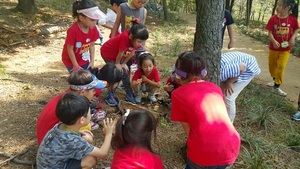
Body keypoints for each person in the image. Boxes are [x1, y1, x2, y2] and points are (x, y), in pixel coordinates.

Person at [171, 51, 240, 168]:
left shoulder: (177, 94)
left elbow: (188, 131)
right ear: (204, 73)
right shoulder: (216, 88)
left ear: (179, 75)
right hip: (231, 146)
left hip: (203, 152)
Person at [36, 66, 121, 146]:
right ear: (82, 92)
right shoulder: (74, 107)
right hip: (50, 144)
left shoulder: (67, 98)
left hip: (47, 138)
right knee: (87, 138)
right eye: (93, 90)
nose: (95, 92)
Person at [36, 92, 116, 169]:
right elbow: (102, 154)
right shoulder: (73, 140)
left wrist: (79, 132)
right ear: (82, 120)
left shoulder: (60, 126)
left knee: (86, 137)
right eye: (89, 112)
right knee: (90, 160)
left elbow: (66, 139)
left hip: (47, 164)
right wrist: (108, 134)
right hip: (56, 166)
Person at [100, 21, 149, 106]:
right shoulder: (125, 37)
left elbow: (132, 53)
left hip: (118, 56)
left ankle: (129, 92)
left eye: (142, 42)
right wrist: (118, 64)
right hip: (108, 54)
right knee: (117, 74)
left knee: (125, 73)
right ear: (131, 36)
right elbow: (121, 52)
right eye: (139, 42)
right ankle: (110, 95)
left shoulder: (135, 40)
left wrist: (124, 64)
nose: (140, 44)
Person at [265, 0, 299, 96]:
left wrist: (293, 38)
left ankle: (277, 86)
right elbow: (270, 33)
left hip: (286, 49)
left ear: (287, 7)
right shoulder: (273, 19)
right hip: (273, 48)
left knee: (281, 66)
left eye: (280, 5)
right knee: (272, 66)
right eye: (277, 4)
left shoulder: (292, 19)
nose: (277, 7)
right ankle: (274, 79)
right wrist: (274, 41)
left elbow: (296, 29)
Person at [61, 0, 104, 73]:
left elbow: (92, 45)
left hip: (83, 59)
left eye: (96, 20)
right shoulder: (73, 30)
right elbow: (70, 49)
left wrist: (92, 61)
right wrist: (75, 65)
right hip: (70, 61)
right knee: (78, 80)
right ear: (81, 18)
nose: (95, 23)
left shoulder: (93, 29)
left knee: (87, 78)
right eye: (92, 20)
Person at [220, 51, 261, 123]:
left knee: (229, 96)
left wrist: (230, 82)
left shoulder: (223, 72)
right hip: (236, 64)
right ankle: (221, 116)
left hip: (247, 68)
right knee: (221, 92)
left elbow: (242, 67)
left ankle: (229, 124)